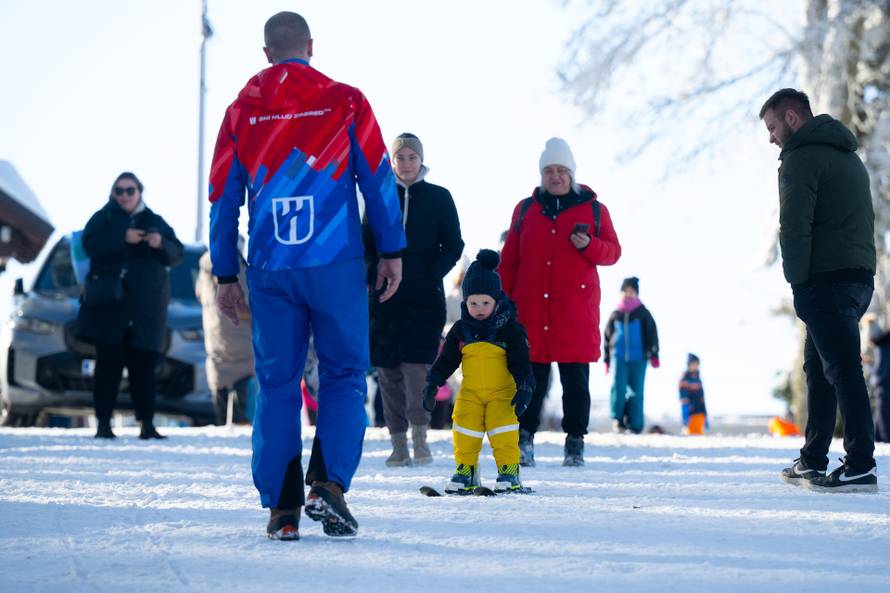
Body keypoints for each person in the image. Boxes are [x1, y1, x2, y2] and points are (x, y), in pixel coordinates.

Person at [208, 12, 406, 540]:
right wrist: (391, 249)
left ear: (267, 53)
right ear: (310, 46)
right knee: (343, 375)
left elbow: (223, 200)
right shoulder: (345, 101)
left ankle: (282, 510)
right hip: (335, 262)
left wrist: (225, 272)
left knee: (277, 384)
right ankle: (329, 485)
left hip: (271, 266)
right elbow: (378, 179)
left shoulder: (241, 111)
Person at [761, 88, 878, 493]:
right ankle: (812, 459)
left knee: (842, 370)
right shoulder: (848, 156)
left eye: (773, 127)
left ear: (792, 118)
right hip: (858, 278)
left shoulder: (801, 157)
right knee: (820, 369)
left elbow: (794, 226)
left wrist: (797, 282)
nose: (771, 138)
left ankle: (861, 465)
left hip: (825, 279)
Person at [500, 137, 622, 467]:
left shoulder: (595, 210)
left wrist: (589, 245)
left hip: (574, 312)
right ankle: (524, 440)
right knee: (530, 382)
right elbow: (509, 262)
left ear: (572, 174)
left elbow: (613, 252)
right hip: (530, 310)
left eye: (561, 170)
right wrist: (504, 303)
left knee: (575, 384)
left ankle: (575, 443)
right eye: (549, 171)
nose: (555, 176)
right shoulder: (525, 210)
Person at [363, 132, 463, 467]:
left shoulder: (439, 197)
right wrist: (373, 274)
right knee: (388, 371)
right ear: (391, 162)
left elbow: (454, 244)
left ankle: (420, 438)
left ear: (421, 160)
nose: (406, 164)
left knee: (417, 369)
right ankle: (398, 444)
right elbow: (364, 244)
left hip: (424, 299)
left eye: (412, 157)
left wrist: (430, 273)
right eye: (400, 158)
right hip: (384, 299)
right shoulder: (378, 197)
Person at [77, 172, 184, 440]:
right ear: (113, 193)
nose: (124, 196)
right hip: (110, 309)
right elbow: (89, 244)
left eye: (130, 190)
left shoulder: (155, 221)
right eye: (119, 191)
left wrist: (160, 243)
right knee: (107, 367)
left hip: (146, 310)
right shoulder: (103, 218)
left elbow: (176, 253)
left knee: (144, 368)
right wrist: (121, 237)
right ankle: (103, 424)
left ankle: (147, 424)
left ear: (139, 192)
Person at [422, 250, 534, 493]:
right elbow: (446, 360)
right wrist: (433, 381)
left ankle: (509, 471)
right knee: (464, 427)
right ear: (465, 302)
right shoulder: (461, 330)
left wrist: (525, 386)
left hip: (502, 394)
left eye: (485, 303)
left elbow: (521, 362)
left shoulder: (510, 330)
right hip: (470, 392)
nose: (479, 308)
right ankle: (466, 471)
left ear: (497, 300)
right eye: (473, 303)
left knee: (503, 429)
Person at [195, 250, 254, 425]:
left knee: (219, 372)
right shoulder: (233, 263)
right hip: (239, 328)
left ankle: (223, 420)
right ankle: (240, 420)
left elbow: (199, 294)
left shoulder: (204, 268)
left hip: (213, 329)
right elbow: (246, 295)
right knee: (243, 371)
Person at [603, 276, 659, 434]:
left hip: (639, 358)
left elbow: (652, 334)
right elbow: (607, 337)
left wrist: (654, 354)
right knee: (618, 387)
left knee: (636, 391)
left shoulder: (643, 313)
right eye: (625, 291)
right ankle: (618, 419)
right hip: (618, 357)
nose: (628, 294)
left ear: (636, 293)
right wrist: (607, 358)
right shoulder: (616, 314)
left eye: (632, 291)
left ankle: (636, 424)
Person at [678, 353, 707, 435]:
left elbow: (702, 396)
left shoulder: (698, 379)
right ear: (688, 365)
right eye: (693, 364)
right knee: (691, 432)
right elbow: (683, 396)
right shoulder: (684, 379)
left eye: (696, 364)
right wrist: (685, 411)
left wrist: (705, 413)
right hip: (691, 411)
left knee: (699, 432)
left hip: (700, 410)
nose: (695, 366)